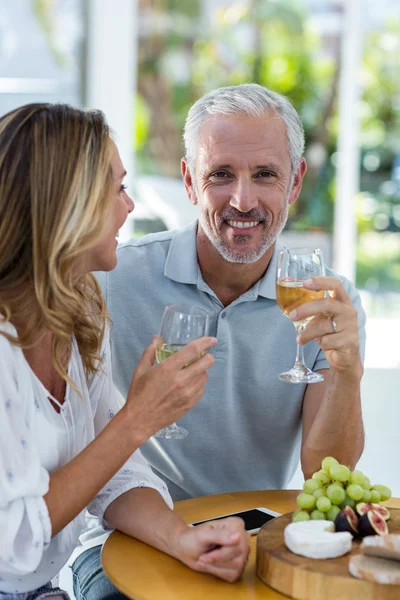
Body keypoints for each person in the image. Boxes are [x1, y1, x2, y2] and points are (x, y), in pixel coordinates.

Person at [77, 82, 366, 597]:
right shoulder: (109, 281)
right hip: (122, 537)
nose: (243, 200)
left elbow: (326, 473)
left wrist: (347, 372)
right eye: (221, 175)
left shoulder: (326, 302)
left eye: (265, 175)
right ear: (189, 181)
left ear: (295, 182)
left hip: (252, 537)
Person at [0, 103, 251, 600]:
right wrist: (138, 418)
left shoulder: (79, 315)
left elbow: (115, 471)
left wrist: (183, 539)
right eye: (117, 188)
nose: (130, 205)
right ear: (67, 204)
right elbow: (16, 544)